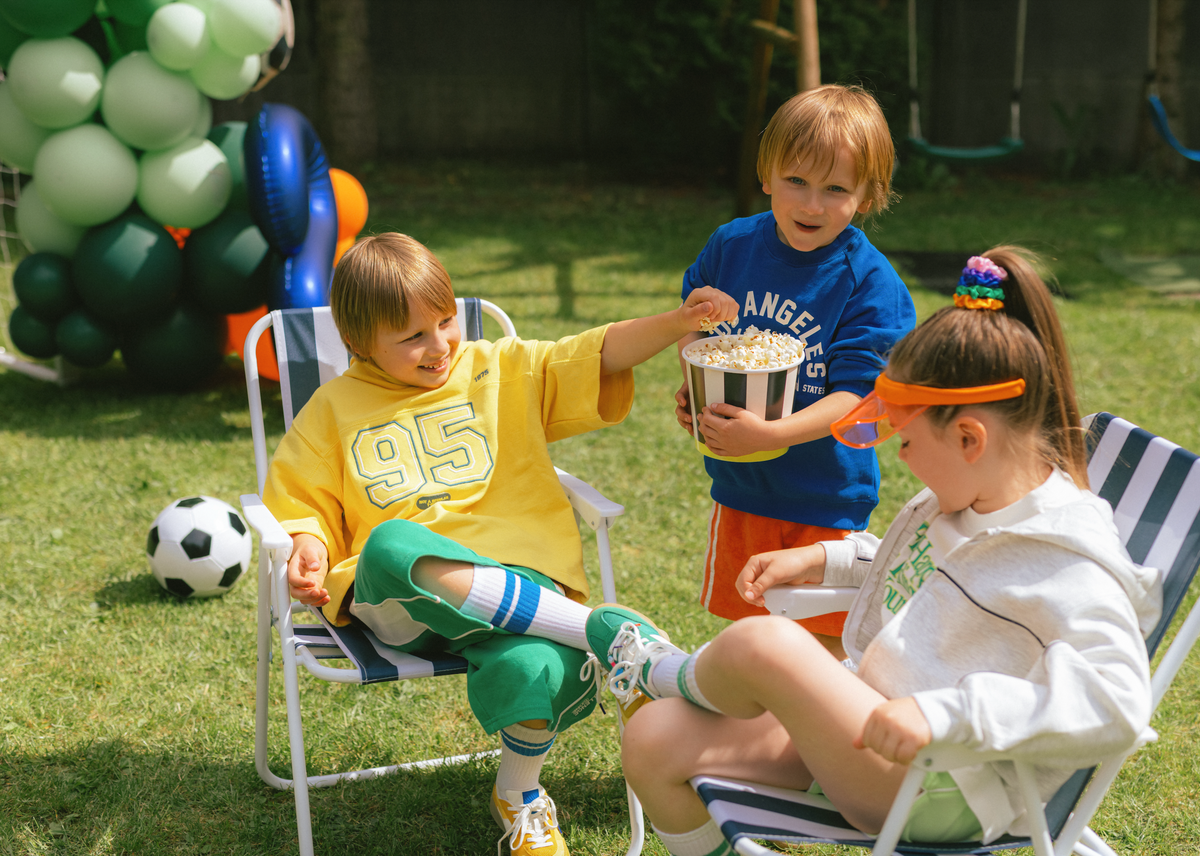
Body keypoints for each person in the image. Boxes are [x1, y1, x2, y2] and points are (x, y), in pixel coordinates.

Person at [587, 248, 1162, 855]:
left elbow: (1118, 702)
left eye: (907, 440)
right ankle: (667, 691)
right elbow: (928, 570)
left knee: (768, 643)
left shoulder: (1069, 559)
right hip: (870, 732)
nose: (900, 455)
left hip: (946, 786)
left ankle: (662, 671)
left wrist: (947, 716)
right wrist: (828, 559)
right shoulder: (973, 497)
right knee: (653, 740)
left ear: (970, 438)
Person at [263, 232, 738, 856]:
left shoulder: (498, 366)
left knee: (534, 663)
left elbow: (594, 352)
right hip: (402, 603)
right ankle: (606, 636)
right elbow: (300, 499)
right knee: (389, 544)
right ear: (358, 343)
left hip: (515, 588)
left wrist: (678, 320)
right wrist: (307, 544)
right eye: (411, 337)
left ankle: (518, 793)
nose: (438, 346)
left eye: (445, 320)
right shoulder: (331, 409)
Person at [674, 84, 916, 648]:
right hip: (742, 488)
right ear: (766, 175)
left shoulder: (870, 283)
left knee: (823, 641)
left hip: (824, 498)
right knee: (751, 638)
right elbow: (696, 324)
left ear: (869, 195)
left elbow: (858, 397)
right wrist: (691, 392)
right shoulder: (732, 246)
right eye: (796, 182)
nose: (811, 205)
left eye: (835, 189)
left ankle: (814, 736)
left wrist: (772, 432)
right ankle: (759, 736)